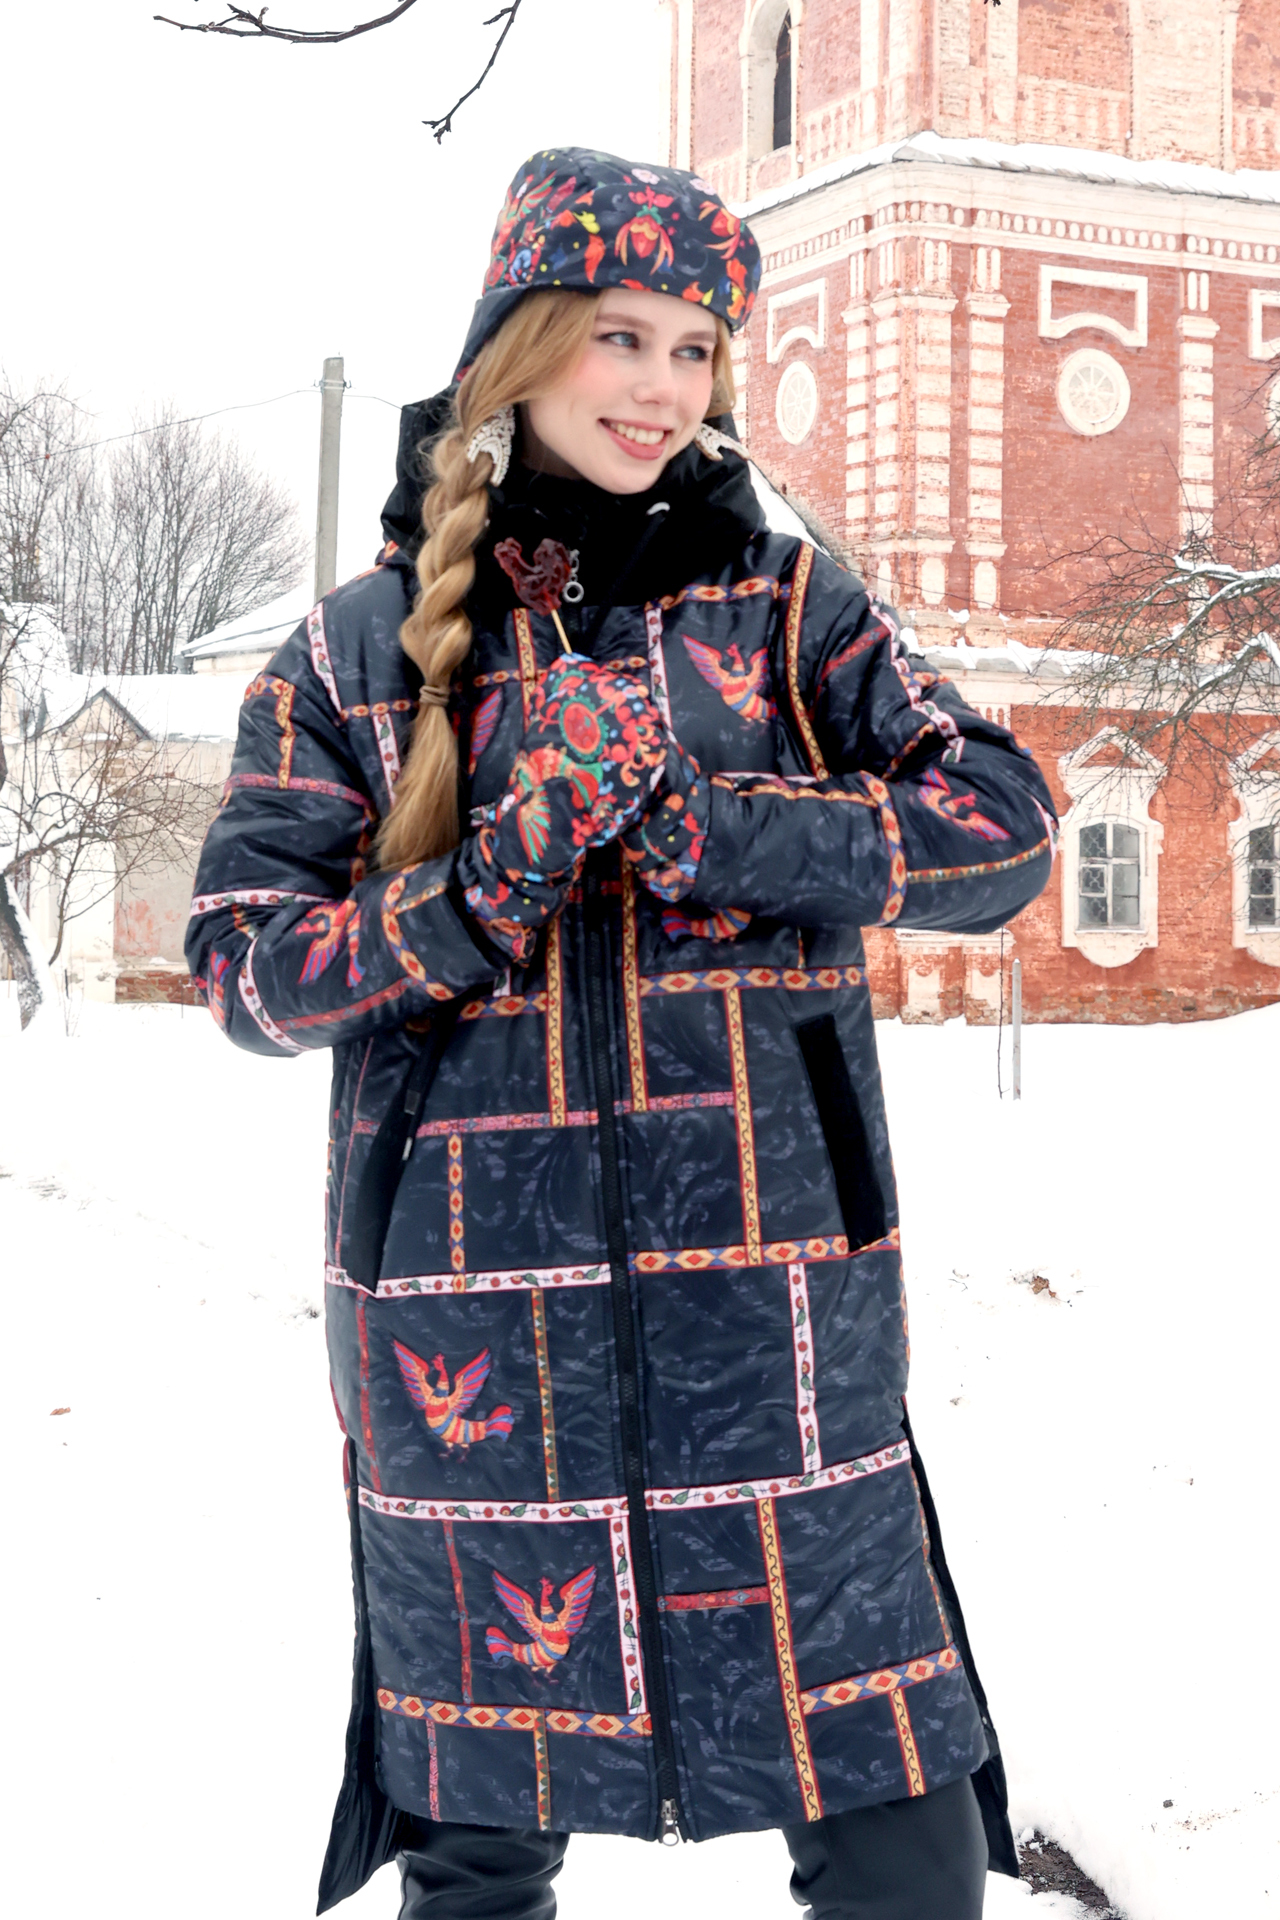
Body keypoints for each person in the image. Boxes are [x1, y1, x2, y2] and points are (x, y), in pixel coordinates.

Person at [187, 149, 1057, 1920]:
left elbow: (1005, 831)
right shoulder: (357, 654)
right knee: (480, 1862)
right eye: (621, 337)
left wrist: (712, 829)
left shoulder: (790, 612)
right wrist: (479, 893)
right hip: (469, 1346)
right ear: (523, 344)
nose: (662, 388)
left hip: (777, 1325)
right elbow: (244, 970)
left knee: (902, 1840)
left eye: (695, 348)